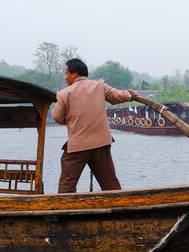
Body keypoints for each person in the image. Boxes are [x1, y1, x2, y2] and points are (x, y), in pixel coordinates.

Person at [52, 58, 136, 193]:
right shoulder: (99, 86)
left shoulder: (64, 94)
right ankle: (119, 208)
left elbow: (57, 117)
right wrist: (130, 94)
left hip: (78, 146)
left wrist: (67, 120)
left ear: (75, 74)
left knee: (67, 183)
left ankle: (65, 211)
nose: (65, 77)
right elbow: (119, 96)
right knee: (109, 182)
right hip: (101, 144)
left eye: (66, 73)